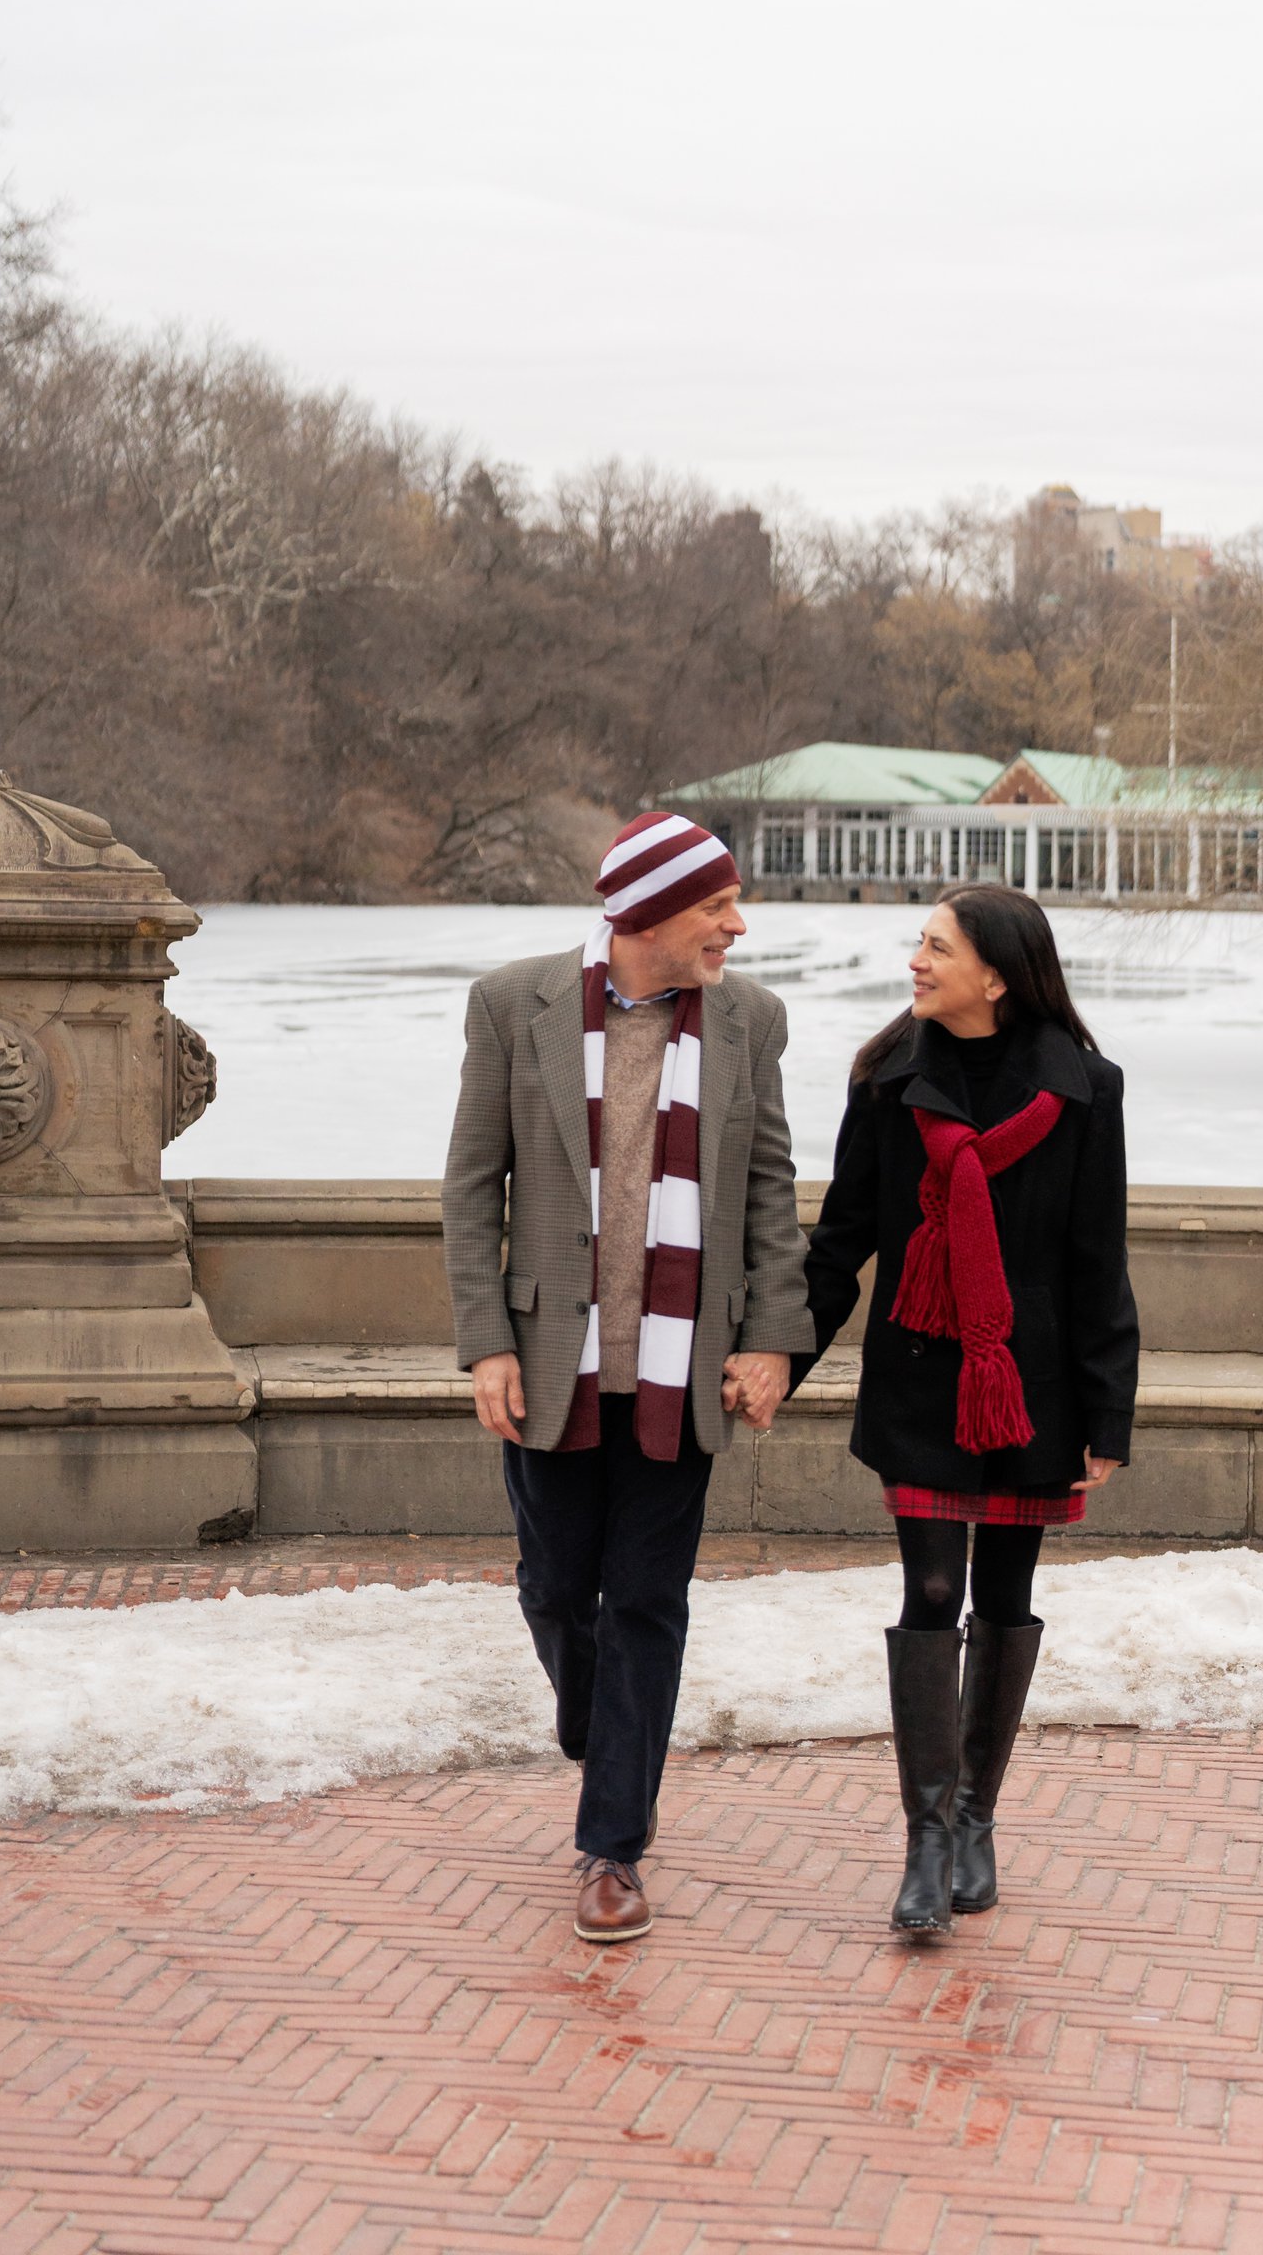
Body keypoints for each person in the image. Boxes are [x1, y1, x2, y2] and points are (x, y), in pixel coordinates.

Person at [443, 812, 815, 1945]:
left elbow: (768, 1190)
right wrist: (486, 1342)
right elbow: (472, 1187)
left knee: (646, 1603)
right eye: (717, 906)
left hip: (681, 1364)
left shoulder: (751, 1020)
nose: (737, 927)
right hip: (551, 1360)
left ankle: (613, 1849)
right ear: (650, 913)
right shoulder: (513, 1005)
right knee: (558, 1591)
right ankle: (600, 1719)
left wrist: (773, 1339)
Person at [799, 883, 1138, 1939]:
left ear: (996, 975)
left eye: (936, 947)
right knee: (933, 1587)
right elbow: (842, 1239)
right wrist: (776, 1357)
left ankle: (977, 1818)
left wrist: (1108, 1414)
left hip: (1030, 1387)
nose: (916, 960)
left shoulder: (1085, 1090)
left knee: (1003, 1589)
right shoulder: (887, 1081)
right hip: (920, 1380)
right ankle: (927, 1840)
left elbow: (1097, 1260)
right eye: (920, 943)